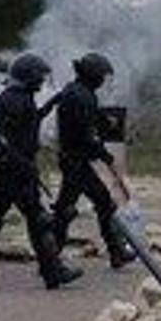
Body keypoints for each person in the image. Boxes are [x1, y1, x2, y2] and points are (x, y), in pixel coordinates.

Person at [0, 53, 81, 288]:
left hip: (14, 168)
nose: (41, 80)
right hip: (15, 169)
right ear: (28, 76)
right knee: (36, 220)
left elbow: (30, 121)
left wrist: (54, 101)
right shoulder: (14, 99)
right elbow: (3, 139)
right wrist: (25, 164)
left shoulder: (19, 97)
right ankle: (53, 271)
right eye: (39, 75)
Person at [49, 52, 134, 267]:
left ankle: (116, 253)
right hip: (76, 160)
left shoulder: (74, 91)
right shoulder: (83, 96)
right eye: (101, 75)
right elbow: (86, 136)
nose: (103, 79)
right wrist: (105, 156)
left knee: (88, 204)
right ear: (92, 75)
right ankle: (50, 258)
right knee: (72, 208)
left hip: (73, 159)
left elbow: (89, 122)